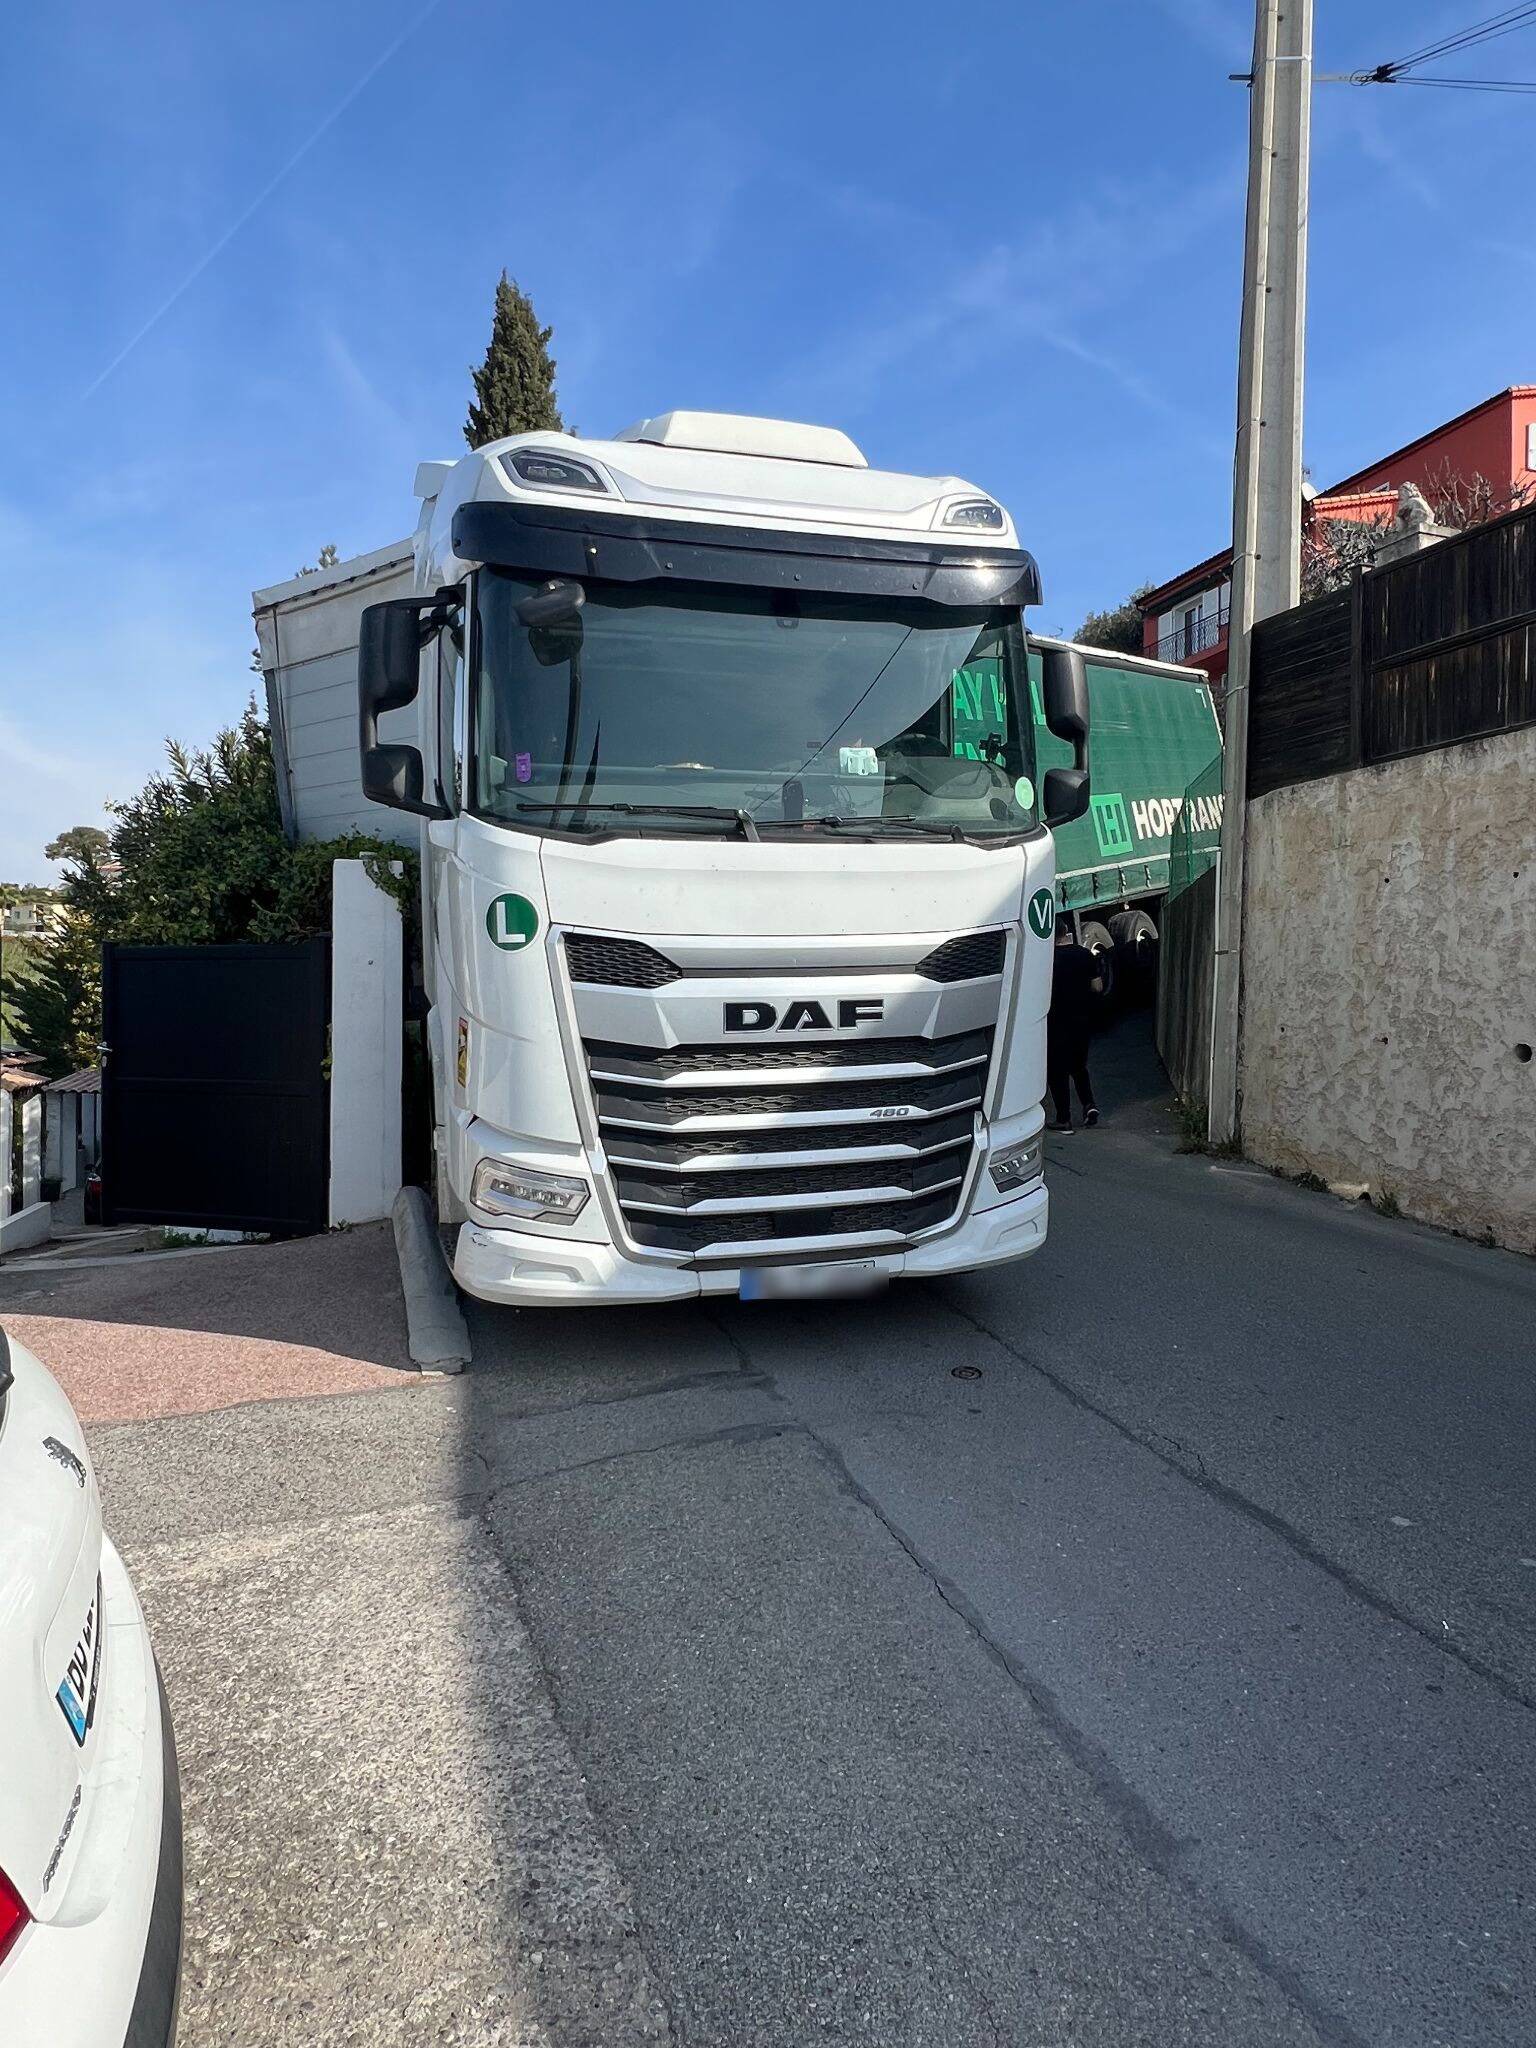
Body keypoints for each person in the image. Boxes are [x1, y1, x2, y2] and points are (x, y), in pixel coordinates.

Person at [1046, 917, 1103, 1132]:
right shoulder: (1085, 954)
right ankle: (1089, 1105)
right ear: (1066, 931)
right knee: (1079, 1067)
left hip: (1056, 1022)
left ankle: (1064, 1119)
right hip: (1082, 1020)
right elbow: (1097, 986)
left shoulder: (1048, 960)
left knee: (1057, 1072)